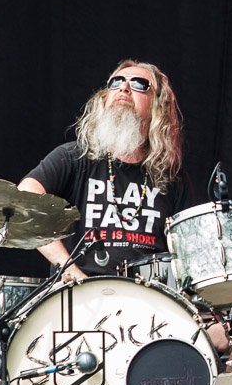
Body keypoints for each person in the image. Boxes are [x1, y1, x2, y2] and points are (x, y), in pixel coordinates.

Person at [18, 59, 189, 282]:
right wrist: (68, 269)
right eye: (116, 82)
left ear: (158, 105)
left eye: (139, 84)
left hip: (146, 301)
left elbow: (188, 252)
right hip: (79, 295)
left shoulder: (172, 177)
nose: (124, 88)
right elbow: (24, 198)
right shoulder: (74, 157)